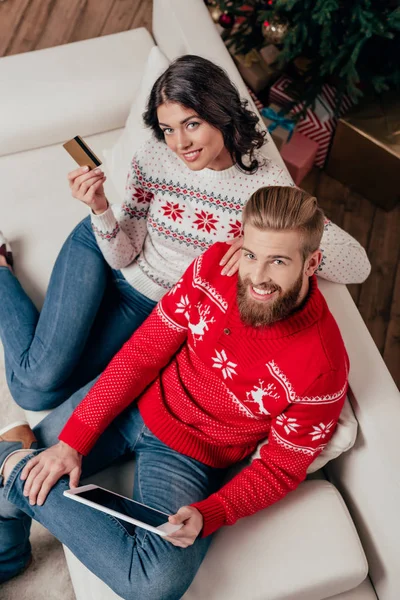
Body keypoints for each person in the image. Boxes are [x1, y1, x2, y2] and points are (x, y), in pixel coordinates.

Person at [0, 186, 349, 598]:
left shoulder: (323, 367)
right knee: (12, 504)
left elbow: (280, 467)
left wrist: (210, 513)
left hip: (192, 457)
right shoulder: (216, 265)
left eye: (278, 261)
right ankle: (10, 552)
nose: (256, 276)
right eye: (252, 254)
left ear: (312, 263)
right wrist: (72, 441)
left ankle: (11, 458)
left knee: (155, 584)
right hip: (136, 402)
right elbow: (142, 354)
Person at [0, 55, 368, 413]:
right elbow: (122, 253)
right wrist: (99, 208)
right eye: (168, 129)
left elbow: (357, 266)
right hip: (101, 248)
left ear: (220, 113)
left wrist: (260, 241)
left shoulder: (265, 188)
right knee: (40, 376)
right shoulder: (156, 157)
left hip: (149, 305)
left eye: (191, 124)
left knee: (36, 396)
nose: (180, 144)